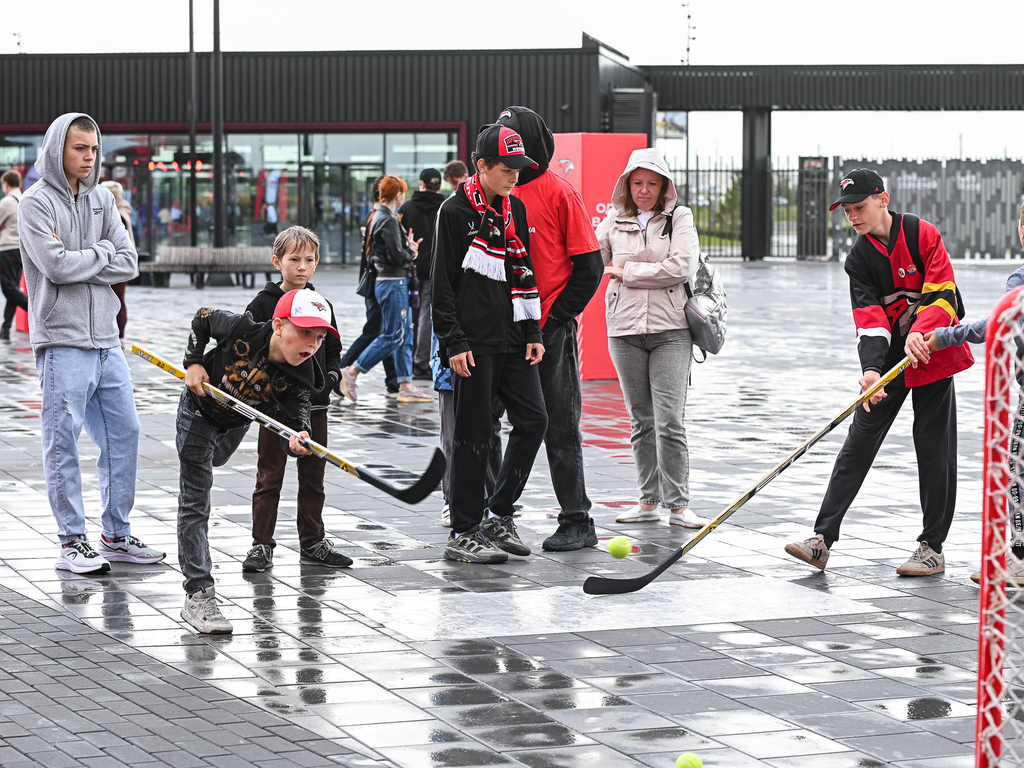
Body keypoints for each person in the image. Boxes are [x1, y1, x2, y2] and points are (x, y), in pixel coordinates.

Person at [785, 168, 974, 577]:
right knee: (859, 438)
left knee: (933, 444)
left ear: (883, 200)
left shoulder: (923, 234)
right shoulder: (858, 258)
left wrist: (922, 334)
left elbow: (943, 293)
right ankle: (822, 540)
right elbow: (870, 319)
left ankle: (932, 548)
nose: (853, 216)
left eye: (860, 207)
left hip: (934, 350)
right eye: (848, 211)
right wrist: (871, 371)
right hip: (891, 358)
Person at [19, 112, 164, 573]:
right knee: (62, 443)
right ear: (58, 148)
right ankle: (70, 542)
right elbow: (56, 268)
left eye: (94, 149)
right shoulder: (35, 204)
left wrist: (87, 256)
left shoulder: (103, 198)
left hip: (107, 339)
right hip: (62, 341)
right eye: (80, 148)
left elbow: (130, 263)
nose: (89, 157)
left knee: (125, 435)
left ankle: (115, 536)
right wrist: (102, 254)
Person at [177, 289, 338, 633]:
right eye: (305, 332)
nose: (312, 344)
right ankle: (199, 594)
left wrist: (298, 441)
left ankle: (210, 454)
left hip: (236, 420)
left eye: (320, 337)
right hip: (198, 411)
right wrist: (194, 361)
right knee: (196, 500)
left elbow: (296, 422)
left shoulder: (304, 375)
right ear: (279, 326)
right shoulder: (243, 328)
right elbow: (202, 317)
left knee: (217, 457)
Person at [432, 124, 548, 564]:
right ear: (481, 166)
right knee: (473, 436)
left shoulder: (514, 210)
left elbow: (525, 271)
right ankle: (463, 530)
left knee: (534, 421)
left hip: (516, 339)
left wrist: (534, 331)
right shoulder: (454, 211)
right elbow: (440, 284)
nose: (514, 177)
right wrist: (453, 340)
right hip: (473, 343)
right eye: (507, 168)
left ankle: (498, 514)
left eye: (520, 169)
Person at [496, 106, 606, 550]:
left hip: (548, 332)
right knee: (488, 426)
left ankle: (577, 520)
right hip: (500, 332)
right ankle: (495, 516)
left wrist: (556, 319)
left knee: (560, 426)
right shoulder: (492, 192)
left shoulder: (559, 192)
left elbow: (589, 266)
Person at [596, 147, 708, 531]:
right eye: (637, 183)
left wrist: (626, 271)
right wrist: (628, 269)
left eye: (652, 184)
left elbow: (681, 267)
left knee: (669, 421)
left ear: (664, 187)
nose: (644, 190)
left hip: (671, 330)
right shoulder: (613, 219)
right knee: (640, 420)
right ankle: (648, 502)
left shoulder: (680, 217)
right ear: (627, 183)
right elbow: (595, 261)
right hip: (623, 329)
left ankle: (678, 505)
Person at [923, 201, 1024, 584]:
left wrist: (945, 336)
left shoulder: (1020, 280)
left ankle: (1017, 558)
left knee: (1016, 473)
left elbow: (994, 325)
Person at [241, 226, 351, 573]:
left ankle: (313, 541)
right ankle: (262, 545)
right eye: (294, 259)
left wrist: (331, 379)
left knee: (313, 477)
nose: (301, 267)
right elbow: (248, 350)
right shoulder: (263, 304)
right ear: (278, 261)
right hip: (275, 409)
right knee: (269, 475)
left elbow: (334, 351)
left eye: (309, 260)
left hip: (316, 408)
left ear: (317, 263)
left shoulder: (321, 304)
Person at [340, 176, 433, 404]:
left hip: (390, 282)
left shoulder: (380, 217)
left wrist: (405, 248)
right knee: (394, 335)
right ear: (398, 194)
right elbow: (395, 256)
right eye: (403, 191)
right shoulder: (387, 219)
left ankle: (405, 384)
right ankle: (352, 372)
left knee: (404, 333)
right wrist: (410, 253)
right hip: (393, 282)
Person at [339, 177, 399, 398]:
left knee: (386, 332)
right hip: (378, 282)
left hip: (371, 282)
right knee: (376, 332)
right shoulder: (380, 218)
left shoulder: (369, 218)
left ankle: (393, 381)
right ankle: (339, 372)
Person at [399, 168, 445, 378]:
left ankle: (408, 360)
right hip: (436, 267)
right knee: (428, 315)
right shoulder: (446, 207)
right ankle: (421, 362)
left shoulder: (407, 207)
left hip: (411, 266)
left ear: (422, 184)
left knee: (410, 314)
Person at [100, 180, 134, 340]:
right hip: (116, 262)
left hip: (114, 263)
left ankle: (119, 336)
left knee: (117, 300)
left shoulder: (117, 214)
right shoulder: (120, 211)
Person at [0, 169, 27, 340]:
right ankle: (5, 329)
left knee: (9, 289)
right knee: (13, 287)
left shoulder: (7, 202)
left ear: (6, 184)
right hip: (21, 250)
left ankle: (34, 310)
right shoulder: (24, 199)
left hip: (7, 249)